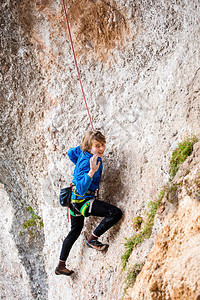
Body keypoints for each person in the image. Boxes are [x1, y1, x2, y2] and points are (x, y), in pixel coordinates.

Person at [55, 130, 122, 276]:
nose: (102, 148)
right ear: (89, 147)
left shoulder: (83, 154)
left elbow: (70, 153)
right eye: (97, 145)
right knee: (115, 213)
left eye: (102, 144)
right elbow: (80, 188)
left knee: (74, 232)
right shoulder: (88, 161)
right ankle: (93, 239)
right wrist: (91, 171)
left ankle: (61, 265)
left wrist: (85, 147)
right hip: (82, 200)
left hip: (74, 202)